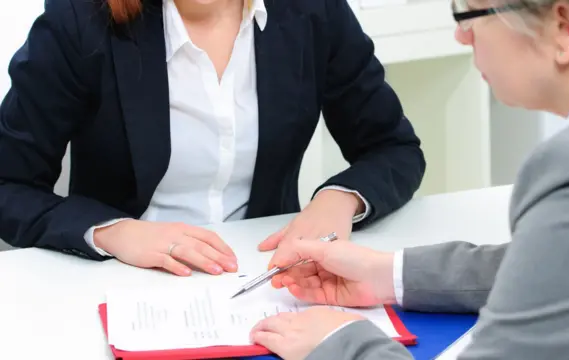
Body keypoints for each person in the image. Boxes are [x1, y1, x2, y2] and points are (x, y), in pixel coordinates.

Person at [249, 0, 569, 358]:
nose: (461, 35)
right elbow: (566, 264)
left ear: (565, 29)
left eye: (470, 14)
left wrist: (341, 342)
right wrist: (390, 275)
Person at [0, 0, 425, 275]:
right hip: (122, 282)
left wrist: (340, 198)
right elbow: (8, 185)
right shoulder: (79, 20)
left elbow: (394, 148)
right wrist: (113, 232)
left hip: (267, 278)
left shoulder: (314, 11)